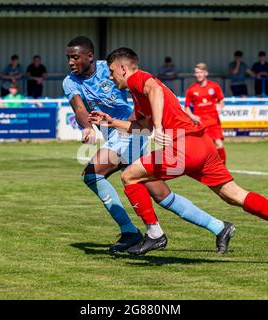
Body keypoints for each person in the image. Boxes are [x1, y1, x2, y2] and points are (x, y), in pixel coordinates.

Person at [90, 47, 268, 261]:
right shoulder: (138, 96)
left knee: (129, 176)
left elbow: (154, 91)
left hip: (183, 146)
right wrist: (111, 122)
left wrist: (158, 126)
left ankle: (155, 234)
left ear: (123, 68)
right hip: (202, 145)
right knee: (233, 195)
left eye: (111, 71)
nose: (110, 77)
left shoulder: (138, 79)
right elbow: (143, 127)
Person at [63, 36, 234, 254]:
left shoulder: (112, 67)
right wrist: (87, 127)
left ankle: (132, 232)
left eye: (75, 57)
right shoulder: (70, 81)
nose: (70, 62)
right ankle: (219, 227)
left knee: (93, 173)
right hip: (116, 135)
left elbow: (141, 89)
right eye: (68, 58)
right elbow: (79, 109)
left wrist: (138, 122)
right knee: (160, 194)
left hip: (130, 132)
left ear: (90, 56)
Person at [185, 63, 227, 164]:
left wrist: (220, 107)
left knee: (219, 145)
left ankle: (222, 169)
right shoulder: (191, 89)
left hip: (214, 122)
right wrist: (192, 116)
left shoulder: (214, 86)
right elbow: (186, 107)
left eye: (200, 72)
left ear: (206, 73)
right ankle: (208, 168)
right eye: (196, 72)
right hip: (201, 123)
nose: (198, 75)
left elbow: (221, 101)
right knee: (204, 150)